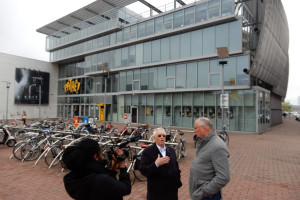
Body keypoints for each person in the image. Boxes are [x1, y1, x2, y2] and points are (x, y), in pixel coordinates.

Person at [62, 138, 131, 200]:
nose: (102, 155)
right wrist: (122, 162)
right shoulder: (100, 179)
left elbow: (109, 184)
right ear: (95, 156)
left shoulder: (70, 178)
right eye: (100, 151)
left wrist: (114, 168)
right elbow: (126, 189)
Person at [190, 117, 230, 200]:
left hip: (208, 196)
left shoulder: (218, 146)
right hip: (199, 192)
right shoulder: (204, 141)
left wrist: (205, 192)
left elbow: (223, 177)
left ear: (203, 128)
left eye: (196, 128)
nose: (194, 131)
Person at [139, 128, 182, 200]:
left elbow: (176, 168)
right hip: (157, 193)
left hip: (172, 192)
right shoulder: (147, 151)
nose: (162, 137)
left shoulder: (171, 150)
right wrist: (156, 164)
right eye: (159, 136)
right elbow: (143, 170)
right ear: (154, 138)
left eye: (164, 136)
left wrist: (177, 181)